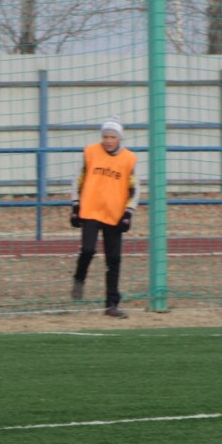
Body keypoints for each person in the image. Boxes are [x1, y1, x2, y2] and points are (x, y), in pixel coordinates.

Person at [69, 116, 140, 318]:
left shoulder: (128, 159)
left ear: (119, 138)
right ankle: (79, 278)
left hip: (114, 215)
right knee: (88, 250)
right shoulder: (90, 153)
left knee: (114, 259)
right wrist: (75, 205)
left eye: (112, 137)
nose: (108, 140)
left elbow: (135, 189)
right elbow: (78, 180)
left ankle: (111, 304)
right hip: (90, 210)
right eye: (105, 136)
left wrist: (128, 212)